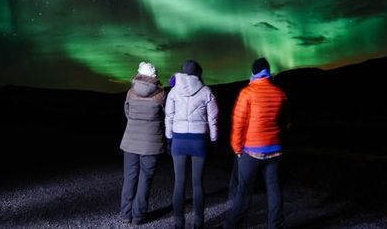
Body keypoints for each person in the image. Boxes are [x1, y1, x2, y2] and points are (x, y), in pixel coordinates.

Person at [225, 57, 289, 229]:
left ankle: (232, 226)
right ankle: (276, 225)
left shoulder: (247, 93)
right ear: (267, 72)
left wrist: (237, 148)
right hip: (274, 150)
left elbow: (239, 123)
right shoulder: (279, 93)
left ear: (253, 73)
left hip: (251, 150)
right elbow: (286, 123)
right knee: (274, 188)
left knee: (244, 191)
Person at [165, 60, 219, 229]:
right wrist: (214, 139)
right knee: (198, 183)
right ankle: (198, 221)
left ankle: (178, 222)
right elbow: (213, 119)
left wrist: (169, 138)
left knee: (179, 182)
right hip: (198, 142)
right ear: (198, 72)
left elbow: (169, 117)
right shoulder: (206, 91)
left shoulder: (173, 92)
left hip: (179, 141)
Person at [120, 61, 167, 225]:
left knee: (129, 178)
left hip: (130, 142)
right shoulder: (161, 94)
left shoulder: (130, 93)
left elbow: (127, 113)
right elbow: (164, 116)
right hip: (151, 143)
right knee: (145, 179)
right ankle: (138, 216)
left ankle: (125, 214)